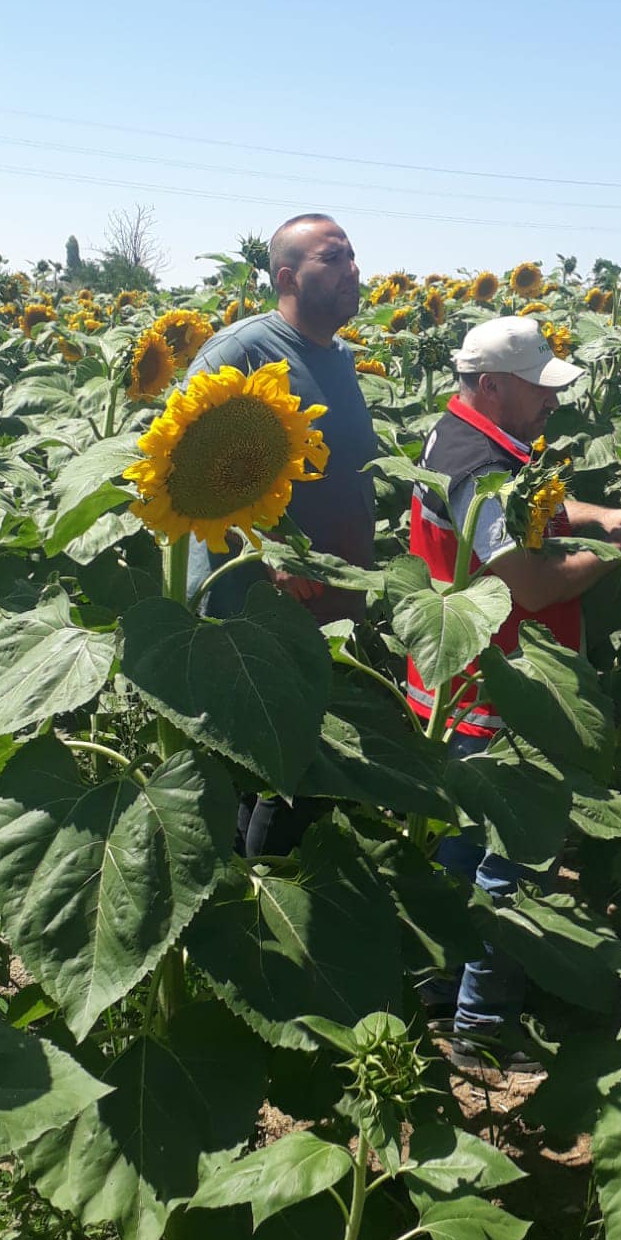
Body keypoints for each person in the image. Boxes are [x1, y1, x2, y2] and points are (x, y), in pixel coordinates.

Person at [406, 315, 621, 1072]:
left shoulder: (470, 439)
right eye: (539, 390)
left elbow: (552, 514)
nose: (551, 403)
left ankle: (435, 988)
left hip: (461, 688)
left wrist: (616, 517)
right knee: (510, 863)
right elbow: (526, 585)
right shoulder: (477, 472)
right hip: (500, 694)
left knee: (457, 851)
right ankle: (482, 1027)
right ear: (493, 385)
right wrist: (616, 549)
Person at [186, 213, 377, 857]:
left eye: (353, 256)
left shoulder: (340, 358)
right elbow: (188, 474)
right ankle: (256, 914)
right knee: (277, 772)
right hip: (259, 609)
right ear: (288, 276)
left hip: (329, 602)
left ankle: (260, 899)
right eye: (335, 258)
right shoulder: (242, 353)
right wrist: (264, 558)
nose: (354, 269)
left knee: (303, 770)